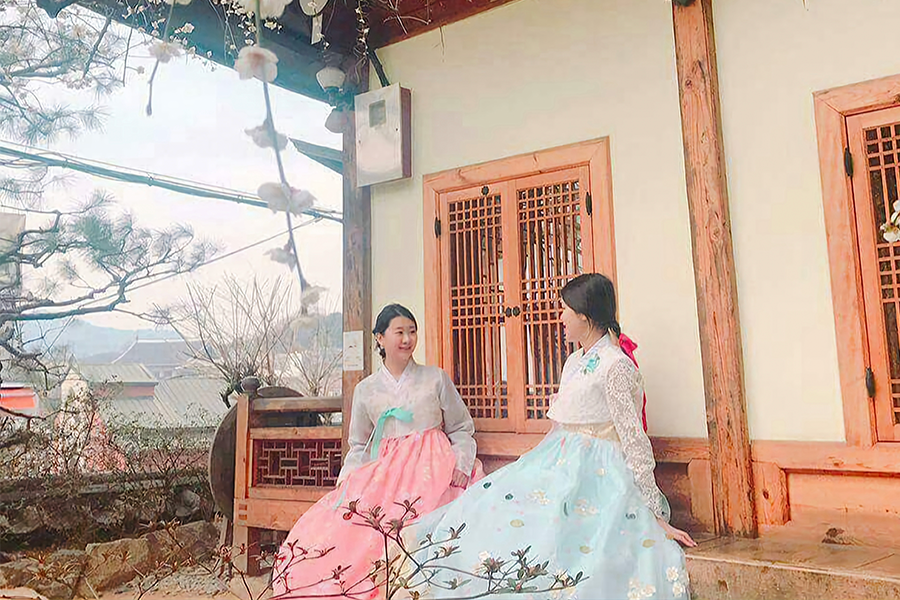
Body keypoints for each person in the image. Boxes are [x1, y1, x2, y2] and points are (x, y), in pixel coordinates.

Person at [399, 274, 695, 600]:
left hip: (597, 471)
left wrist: (654, 514)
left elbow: (634, 440)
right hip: (560, 456)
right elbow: (561, 426)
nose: (560, 317)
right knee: (489, 504)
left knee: (555, 533)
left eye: (564, 309)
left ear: (584, 315)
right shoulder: (574, 361)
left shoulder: (616, 366)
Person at [272, 303, 482, 599]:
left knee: (427, 530)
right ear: (380, 338)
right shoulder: (366, 389)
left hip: (435, 469)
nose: (407, 339)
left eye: (412, 331)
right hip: (386, 475)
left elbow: (461, 427)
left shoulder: (435, 378)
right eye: (399, 332)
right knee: (359, 533)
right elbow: (359, 444)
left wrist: (461, 464)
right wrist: (348, 479)